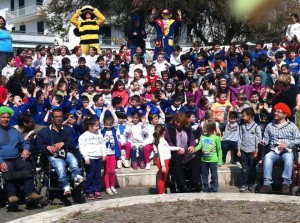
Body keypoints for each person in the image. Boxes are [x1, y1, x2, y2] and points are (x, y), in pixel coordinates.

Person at [36, 108, 86, 196]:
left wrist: (63, 143)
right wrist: (47, 147)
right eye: (56, 117)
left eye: (60, 116)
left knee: (74, 162)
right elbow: (38, 145)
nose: (59, 118)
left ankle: (77, 178)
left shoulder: (68, 130)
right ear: (52, 118)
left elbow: (73, 144)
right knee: (60, 167)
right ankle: (66, 186)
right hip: (53, 155)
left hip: (66, 152)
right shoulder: (44, 132)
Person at [0, 106, 42, 204]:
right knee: (8, 168)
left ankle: (30, 193)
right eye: (3, 117)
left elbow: (25, 143)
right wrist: (0, 162)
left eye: (7, 117)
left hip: (16, 158)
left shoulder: (14, 132)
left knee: (27, 166)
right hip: (3, 159)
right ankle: (12, 195)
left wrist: (26, 150)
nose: (6, 119)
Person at [260, 103, 300, 194]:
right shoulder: (270, 126)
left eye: (278, 112)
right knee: (267, 157)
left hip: (286, 151)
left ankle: (286, 184)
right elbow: (266, 140)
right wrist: (263, 142)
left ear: (285, 114)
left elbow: (298, 139)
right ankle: (267, 184)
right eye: (275, 111)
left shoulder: (292, 126)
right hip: (274, 151)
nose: (275, 113)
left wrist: (287, 144)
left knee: (289, 158)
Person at [164, 112, 202, 192]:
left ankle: (196, 182)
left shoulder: (187, 128)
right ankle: (182, 184)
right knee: (176, 159)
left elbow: (191, 139)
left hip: (186, 150)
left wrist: (192, 146)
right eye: (176, 122)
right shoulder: (169, 128)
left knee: (195, 157)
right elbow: (168, 141)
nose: (178, 124)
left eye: (180, 123)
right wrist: (177, 149)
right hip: (174, 150)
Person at [78, 117, 106, 200]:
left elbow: (102, 144)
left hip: (99, 157)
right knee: (90, 175)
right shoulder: (84, 136)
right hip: (90, 158)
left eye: (98, 126)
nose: (98, 127)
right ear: (90, 127)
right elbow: (82, 147)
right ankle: (89, 191)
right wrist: (86, 157)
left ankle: (97, 190)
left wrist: (104, 154)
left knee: (97, 175)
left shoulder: (99, 134)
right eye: (96, 126)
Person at [237, 108, 262, 192]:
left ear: (250, 116)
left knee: (252, 168)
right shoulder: (242, 126)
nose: (242, 117)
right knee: (244, 168)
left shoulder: (256, 126)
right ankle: (244, 184)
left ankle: (251, 184)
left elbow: (258, 140)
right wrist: (239, 150)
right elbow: (240, 138)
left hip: (252, 151)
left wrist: (256, 151)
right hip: (243, 150)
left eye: (243, 116)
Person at [153, 124, 182, 194]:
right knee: (162, 179)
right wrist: (163, 165)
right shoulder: (160, 142)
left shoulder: (163, 140)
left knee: (164, 178)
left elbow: (168, 148)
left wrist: (178, 148)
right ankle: (161, 193)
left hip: (166, 161)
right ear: (163, 132)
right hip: (163, 162)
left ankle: (162, 192)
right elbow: (161, 154)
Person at [195, 120, 222, 192]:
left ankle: (214, 188)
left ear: (210, 128)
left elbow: (219, 150)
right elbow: (199, 145)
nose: (203, 128)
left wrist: (219, 161)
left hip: (213, 160)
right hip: (204, 160)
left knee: (214, 175)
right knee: (204, 175)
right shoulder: (202, 136)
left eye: (204, 127)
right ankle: (205, 188)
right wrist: (194, 149)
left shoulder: (216, 138)